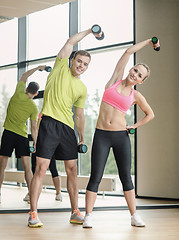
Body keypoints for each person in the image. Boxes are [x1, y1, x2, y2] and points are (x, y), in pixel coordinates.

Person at [28, 27, 102, 228]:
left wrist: (82, 137)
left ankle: (75, 212)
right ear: (71, 60)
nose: (81, 65)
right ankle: (33, 213)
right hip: (49, 124)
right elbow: (70, 42)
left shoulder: (82, 88)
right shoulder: (60, 67)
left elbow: (79, 115)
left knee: (72, 169)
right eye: (79, 61)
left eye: (85, 64)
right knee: (41, 168)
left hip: (68, 130)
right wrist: (89, 32)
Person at [82, 38, 160, 228]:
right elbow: (127, 52)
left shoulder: (136, 96)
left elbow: (150, 114)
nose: (135, 74)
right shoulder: (114, 80)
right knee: (96, 176)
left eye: (139, 75)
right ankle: (88, 216)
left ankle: (134, 216)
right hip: (101, 135)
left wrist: (133, 126)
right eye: (135, 70)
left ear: (141, 81)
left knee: (125, 176)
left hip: (120, 137)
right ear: (130, 70)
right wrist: (149, 41)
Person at [0, 66, 44, 203]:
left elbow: (24, 75)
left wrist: (38, 68)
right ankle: (32, 195)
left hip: (8, 134)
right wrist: (35, 142)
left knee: (1, 166)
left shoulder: (19, 92)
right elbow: (34, 127)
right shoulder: (33, 107)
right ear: (36, 94)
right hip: (22, 137)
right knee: (27, 168)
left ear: (26, 89)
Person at [24, 113, 62, 202]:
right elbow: (36, 129)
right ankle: (31, 193)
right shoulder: (41, 114)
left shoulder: (55, 114)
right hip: (40, 144)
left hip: (49, 145)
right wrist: (36, 143)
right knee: (35, 170)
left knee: (52, 168)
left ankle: (58, 192)